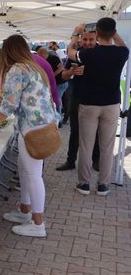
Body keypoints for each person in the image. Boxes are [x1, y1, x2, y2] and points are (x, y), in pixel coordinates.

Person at [0, 35, 57, 238]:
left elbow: (9, 105)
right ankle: (25, 211)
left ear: (8, 52)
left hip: (32, 128)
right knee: (25, 170)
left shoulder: (17, 69)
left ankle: (38, 223)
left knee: (32, 175)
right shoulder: (34, 67)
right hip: (42, 124)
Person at [67, 18, 129, 196]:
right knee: (107, 147)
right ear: (113, 32)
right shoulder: (121, 53)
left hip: (89, 103)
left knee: (86, 145)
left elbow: (71, 51)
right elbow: (121, 44)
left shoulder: (89, 54)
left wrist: (75, 34)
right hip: (111, 104)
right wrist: (112, 32)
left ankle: (84, 184)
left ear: (97, 33)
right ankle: (103, 185)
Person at [56, 26, 101, 172]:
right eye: (85, 39)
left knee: (96, 132)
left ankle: (96, 160)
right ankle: (70, 161)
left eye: (91, 39)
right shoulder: (77, 54)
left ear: (97, 38)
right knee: (75, 131)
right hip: (77, 96)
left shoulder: (102, 53)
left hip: (96, 99)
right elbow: (63, 76)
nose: (87, 42)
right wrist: (71, 71)